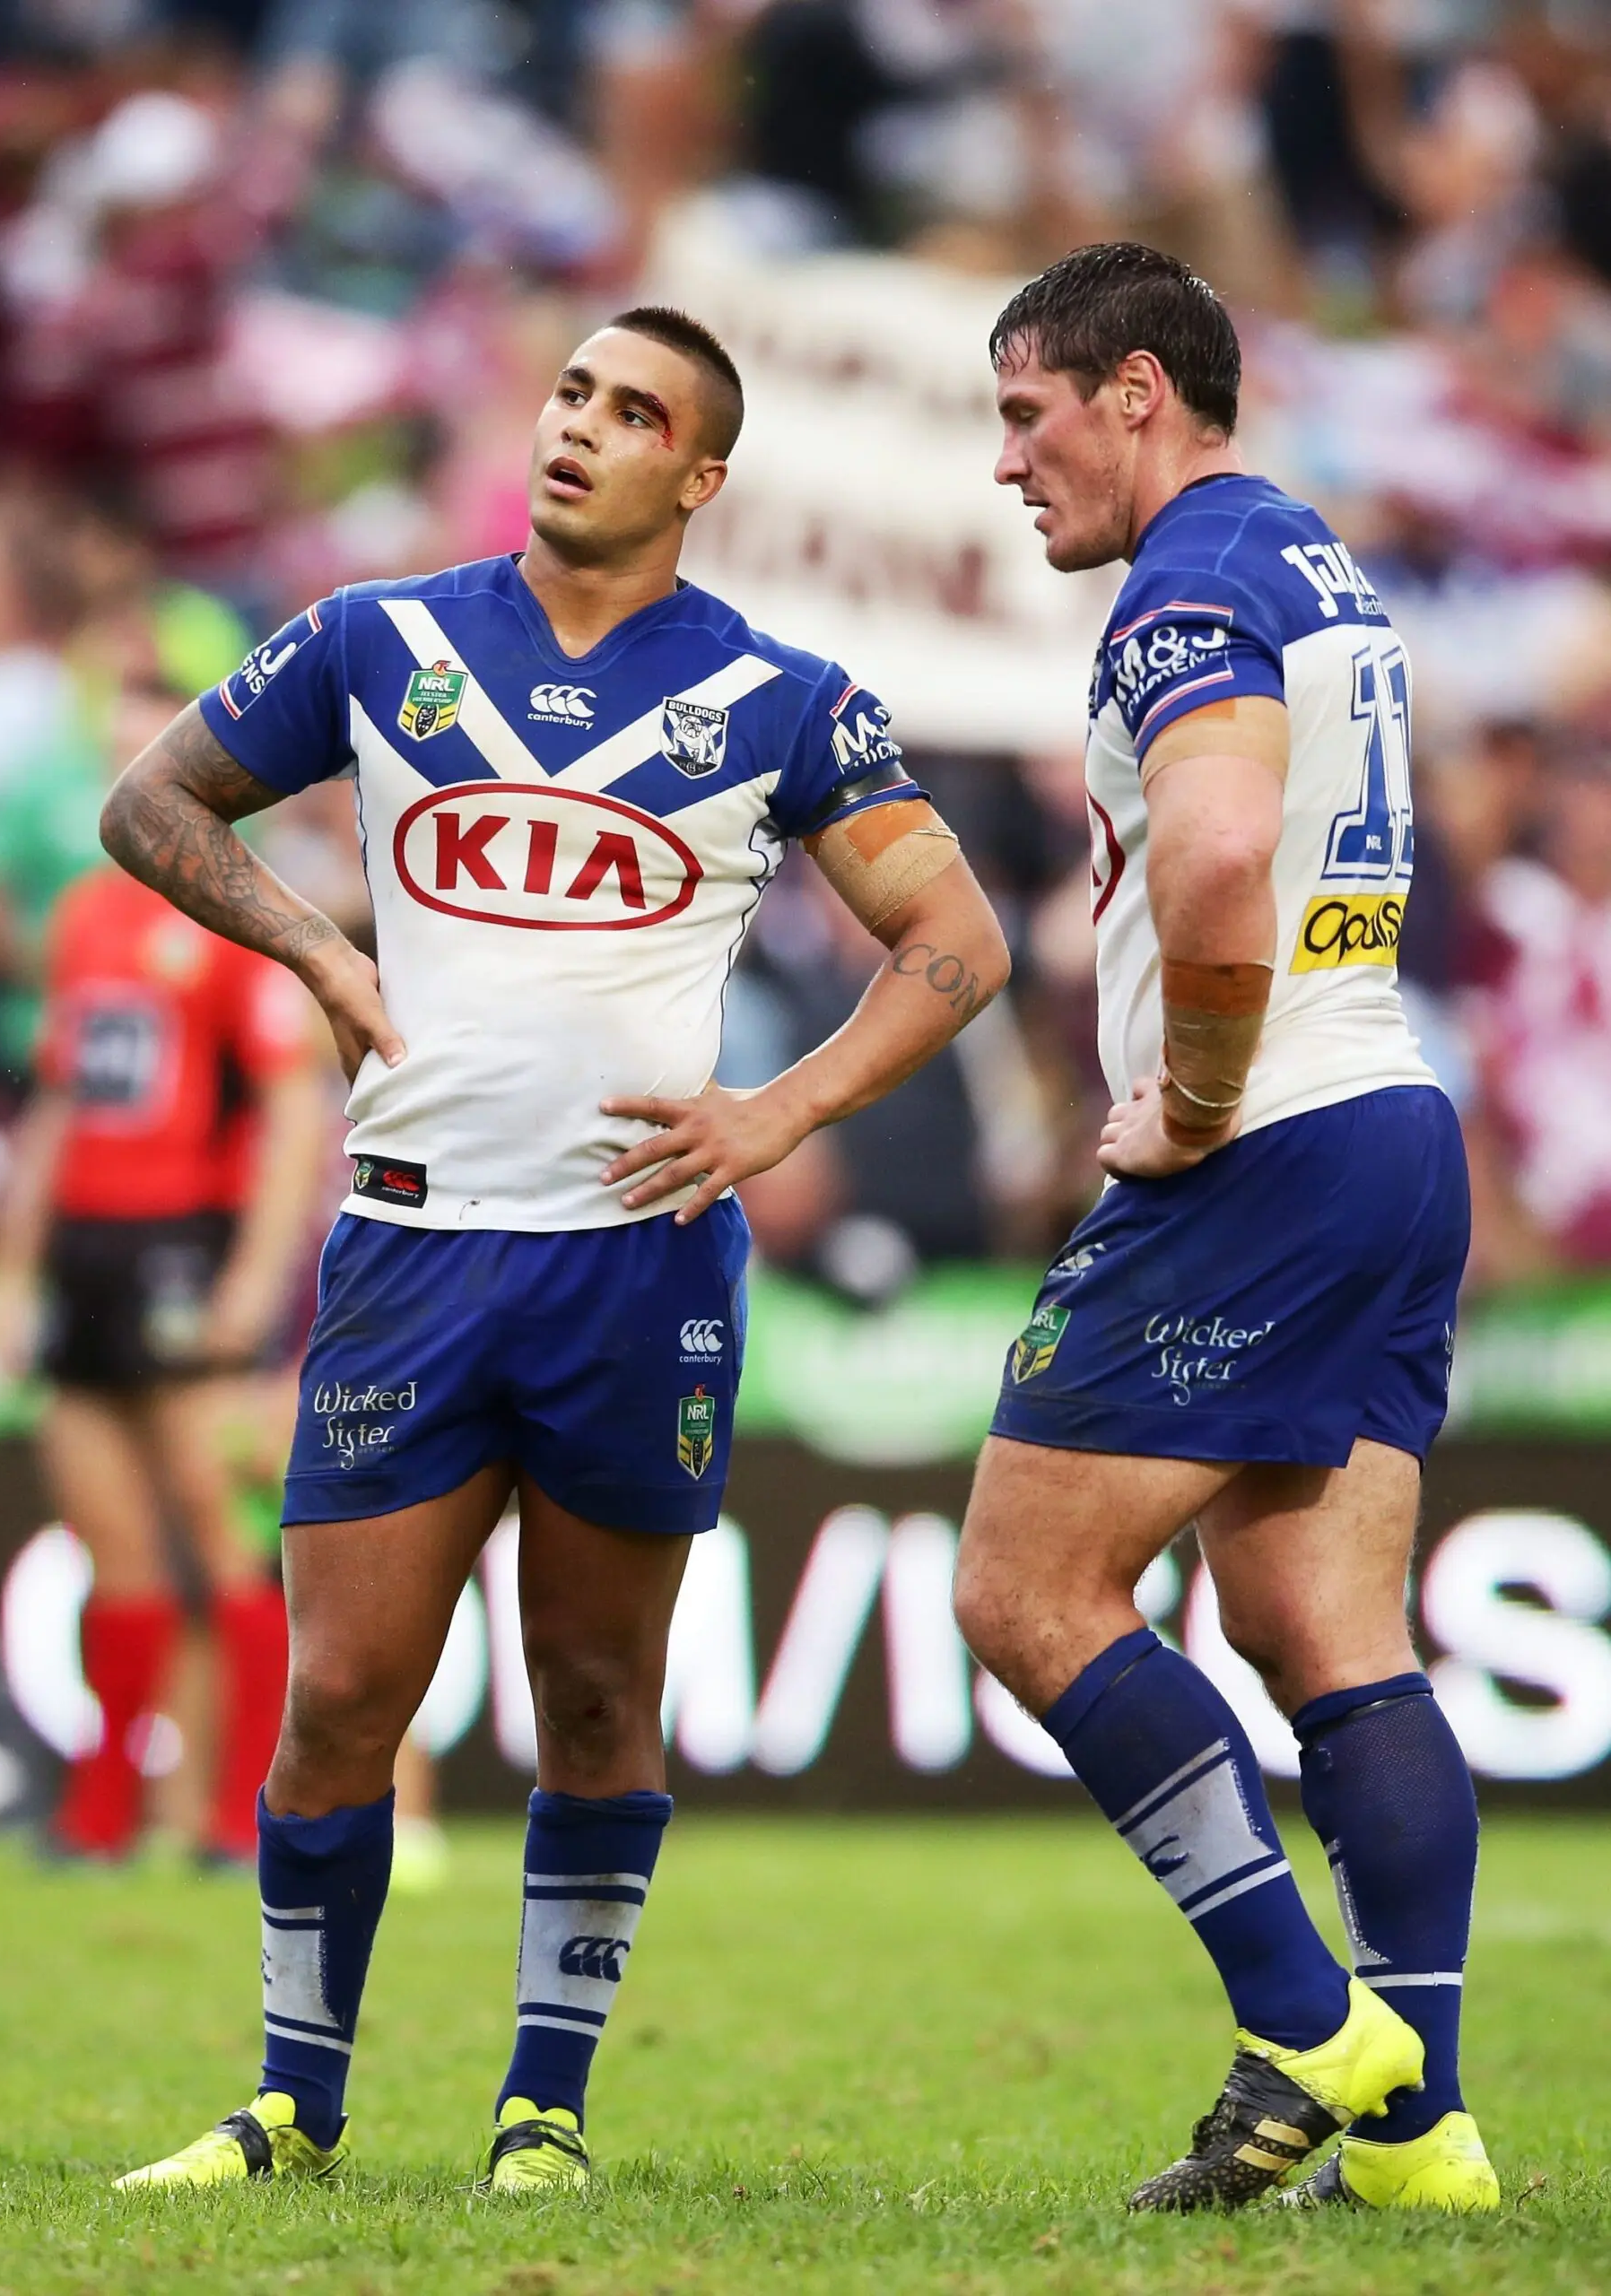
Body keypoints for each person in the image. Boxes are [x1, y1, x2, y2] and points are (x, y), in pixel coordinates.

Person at [99, 305, 1009, 2192]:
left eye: (634, 412)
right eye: (572, 392)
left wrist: (780, 1113)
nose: (579, 425)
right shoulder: (378, 640)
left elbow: (959, 944)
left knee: (595, 1697)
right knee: (340, 1699)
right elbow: (149, 800)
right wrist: (320, 947)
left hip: (635, 1261)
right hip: (412, 1251)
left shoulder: (778, 695)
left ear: (701, 475)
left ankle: (544, 2108)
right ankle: (292, 2102)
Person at [951, 244, 1496, 2216]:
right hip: (1390, 1121)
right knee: (1318, 1626)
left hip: (1260, 1143)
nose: (1006, 462)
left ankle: (1307, 2018)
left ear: (1136, 393)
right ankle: (1420, 2134)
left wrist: (1183, 1101)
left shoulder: (1183, 584)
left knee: (1024, 1589)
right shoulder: (1311, 557)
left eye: (1026, 414)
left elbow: (1213, 849)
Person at [0, 668, 323, 1866]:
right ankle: (100, 1815)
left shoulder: (242, 914)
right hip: (85, 1250)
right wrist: (14, 1270)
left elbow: (292, 1112)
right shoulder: (84, 917)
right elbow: (60, 1103)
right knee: (110, 1542)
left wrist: (254, 1279)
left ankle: (241, 1815)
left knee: (218, 1530)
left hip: (186, 1243)